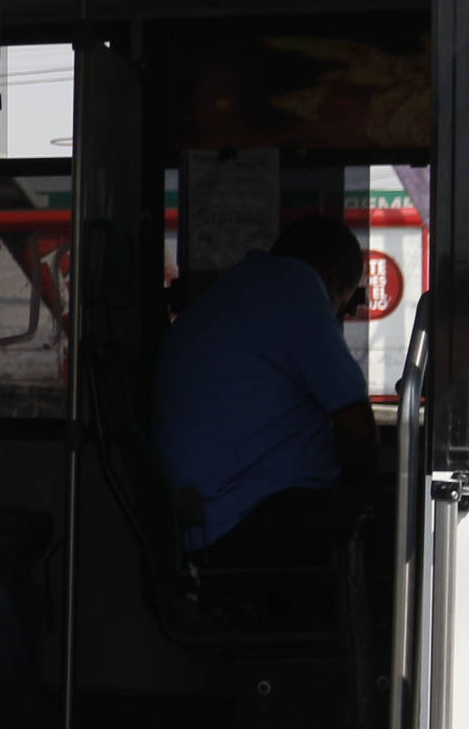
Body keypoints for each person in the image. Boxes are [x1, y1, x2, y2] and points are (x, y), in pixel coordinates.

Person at [152, 213, 377, 569]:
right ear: (331, 280)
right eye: (345, 304)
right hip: (242, 520)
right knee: (402, 528)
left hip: (207, 518)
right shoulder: (296, 286)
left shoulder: (239, 291)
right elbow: (357, 429)